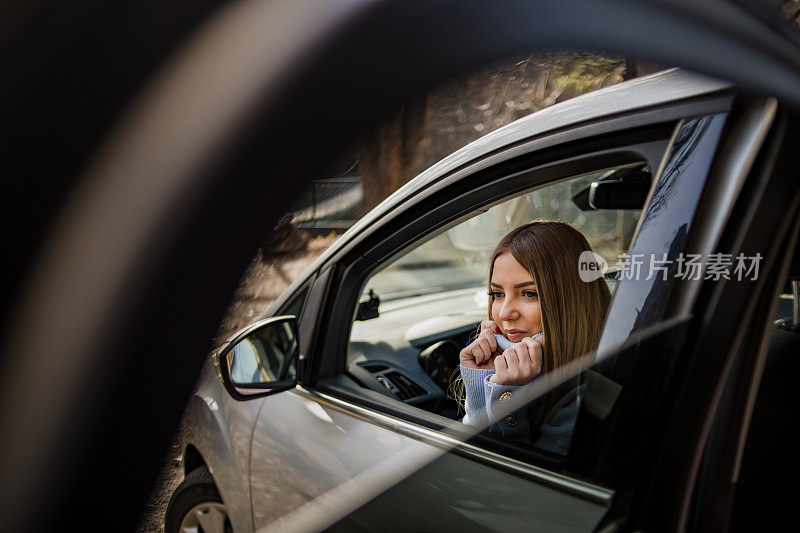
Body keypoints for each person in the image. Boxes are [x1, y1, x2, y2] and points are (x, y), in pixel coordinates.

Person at [454, 221, 611, 455]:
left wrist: (507, 395)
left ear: (572, 299)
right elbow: (469, 454)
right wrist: (481, 380)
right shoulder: (524, 363)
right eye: (497, 294)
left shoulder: (593, 393)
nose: (505, 313)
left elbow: (507, 478)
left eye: (529, 293)